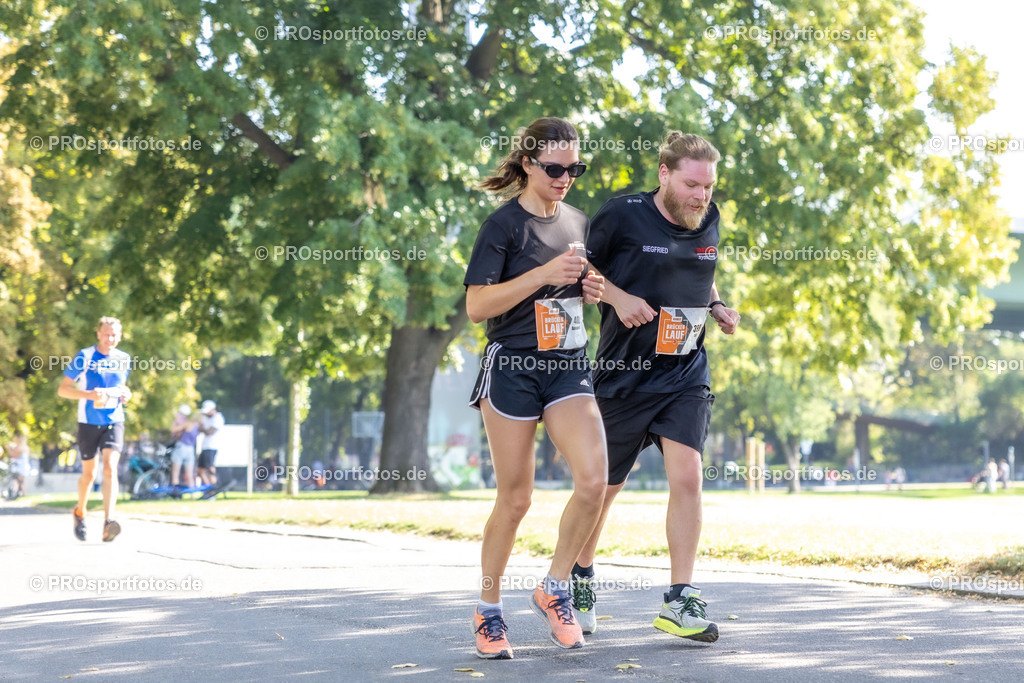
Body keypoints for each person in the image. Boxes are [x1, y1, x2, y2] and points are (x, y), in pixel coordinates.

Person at [571, 132, 740, 642]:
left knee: (688, 475)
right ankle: (579, 575)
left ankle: (679, 599)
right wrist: (619, 298)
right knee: (602, 490)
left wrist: (715, 305)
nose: (701, 196)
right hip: (624, 375)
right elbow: (579, 266)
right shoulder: (623, 213)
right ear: (664, 173)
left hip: (685, 371)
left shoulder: (707, 218)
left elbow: (700, 267)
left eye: (708, 187)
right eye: (692, 183)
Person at [465, 117, 608, 659]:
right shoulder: (502, 227)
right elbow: (478, 307)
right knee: (516, 498)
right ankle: (489, 610)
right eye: (554, 168)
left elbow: (575, 288)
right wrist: (543, 274)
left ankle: (554, 587)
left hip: (567, 362)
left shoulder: (578, 220)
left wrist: (590, 289)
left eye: (575, 168)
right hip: (512, 367)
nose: (565, 177)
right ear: (528, 164)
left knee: (594, 480)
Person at [58, 316, 133, 542]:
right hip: (88, 422)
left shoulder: (124, 358)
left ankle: (109, 521)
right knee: (89, 474)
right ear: (98, 334)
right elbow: (63, 390)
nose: (110, 338)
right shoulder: (86, 356)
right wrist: (88, 395)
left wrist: (127, 394)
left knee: (110, 467)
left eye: (114, 335)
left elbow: (121, 387)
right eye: (106, 334)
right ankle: (80, 511)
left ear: (119, 337)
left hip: (114, 419)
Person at [169, 404, 198, 488]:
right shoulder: (196, 425)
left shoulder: (186, 423)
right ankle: (192, 497)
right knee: (189, 474)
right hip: (191, 449)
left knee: (175, 472)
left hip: (181, 447)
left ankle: (176, 494)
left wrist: (175, 422)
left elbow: (173, 430)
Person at [196, 400, 224, 486]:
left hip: (212, 447)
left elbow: (209, 431)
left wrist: (202, 429)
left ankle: (213, 489)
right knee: (200, 470)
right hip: (205, 447)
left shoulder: (218, 418)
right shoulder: (205, 418)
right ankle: (208, 488)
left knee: (210, 469)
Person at [4, 432, 31, 498]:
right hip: (23, 465)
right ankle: (20, 493)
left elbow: (13, 455)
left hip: (20, 466)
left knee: (19, 480)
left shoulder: (20, 447)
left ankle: (20, 493)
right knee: (20, 480)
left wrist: (8, 448)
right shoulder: (25, 446)